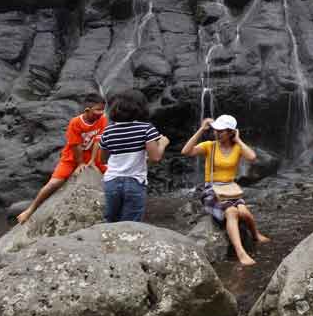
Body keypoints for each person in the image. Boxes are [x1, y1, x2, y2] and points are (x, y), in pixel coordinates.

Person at [180, 115, 269, 266]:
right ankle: (241, 253)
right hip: (212, 189)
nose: (217, 133)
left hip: (230, 189)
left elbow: (252, 157)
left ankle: (256, 234)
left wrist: (238, 140)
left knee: (244, 212)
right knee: (232, 212)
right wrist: (201, 129)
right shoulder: (209, 146)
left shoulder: (237, 148)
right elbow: (186, 151)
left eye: (221, 131)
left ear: (230, 132)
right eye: (216, 130)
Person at [16, 92, 108, 225]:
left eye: (103, 110)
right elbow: (75, 146)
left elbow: (97, 142)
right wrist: (80, 163)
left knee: (110, 173)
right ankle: (30, 210)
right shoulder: (75, 123)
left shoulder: (102, 120)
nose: (101, 113)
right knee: (55, 182)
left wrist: (93, 161)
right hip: (71, 156)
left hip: (91, 155)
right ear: (87, 110)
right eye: (98, 110)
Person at [95, 89, 169, 223]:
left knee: (111, 221)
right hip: (134, 182)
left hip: (111, 182)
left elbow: (102, 159)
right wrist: (163, 144)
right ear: (141, 108)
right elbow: (155, 157)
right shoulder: (146, 129)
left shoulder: (108, 131)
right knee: (131, 223)